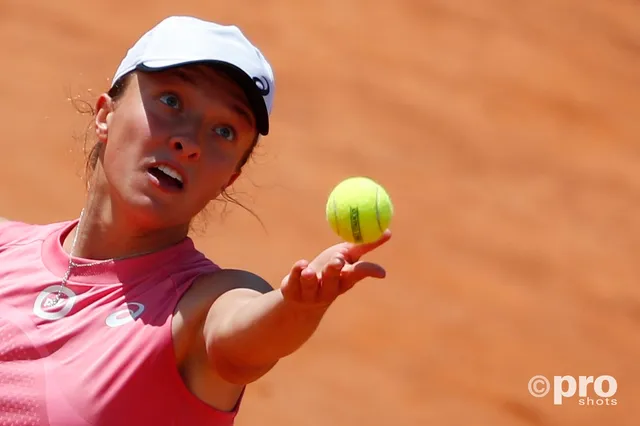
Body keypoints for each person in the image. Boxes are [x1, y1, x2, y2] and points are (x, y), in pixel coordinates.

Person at [0, 15, 391, 426]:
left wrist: (294, 308)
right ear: (105, 115)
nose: (188, 141)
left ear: (231, 177)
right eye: (171, 101)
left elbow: (242, 338)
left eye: (224, 131)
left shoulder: (201, 305)